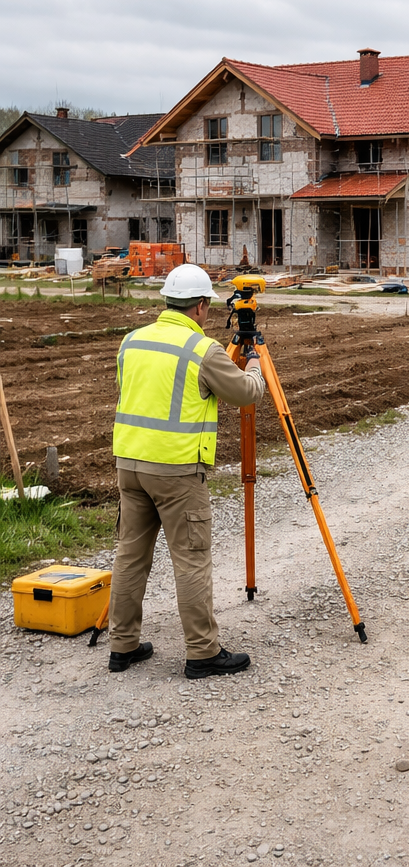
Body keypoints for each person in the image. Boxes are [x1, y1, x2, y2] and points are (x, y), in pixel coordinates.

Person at [108, 264, 266, 678]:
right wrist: (254, 367)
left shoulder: (132, 341)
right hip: (176, 470)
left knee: (130, 556)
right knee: (191, 559)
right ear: (199, 306)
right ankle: (202, 652)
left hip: (129, 464)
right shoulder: (203, 350)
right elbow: (245, 394)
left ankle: (121, 645)